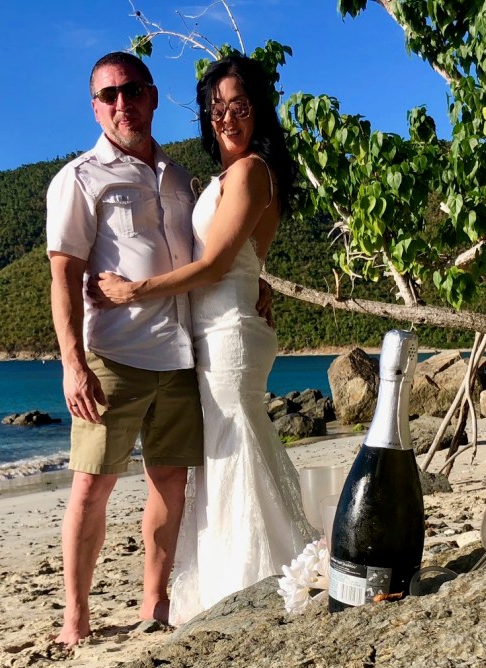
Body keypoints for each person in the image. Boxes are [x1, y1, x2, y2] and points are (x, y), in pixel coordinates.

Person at [91, 54, 314, 625]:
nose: (226, 118)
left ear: (258, 108)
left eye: (239, 106)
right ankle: (247, 582)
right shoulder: (230, 175)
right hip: (218, 328)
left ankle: (260, 583)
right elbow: (241, 257)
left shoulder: (250, 171)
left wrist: (134, 291)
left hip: (227, 332)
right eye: (216, 108)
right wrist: (259, 281)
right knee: (225, 457)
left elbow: (215, 265)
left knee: (233, 454)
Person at [46, 51, 203, 645]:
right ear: (94, 106)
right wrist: (72, 364)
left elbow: (206, 254)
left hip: (181, 356)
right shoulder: (81, 178)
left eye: (132, 91)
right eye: (109, 95)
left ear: (153, 95)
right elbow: (63, 275)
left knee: (170, 481)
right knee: (92, 484)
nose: (122, 104)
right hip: (113, 358)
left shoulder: (180, 177)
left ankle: (154, 605)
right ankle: (76, 617)